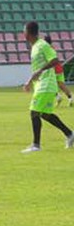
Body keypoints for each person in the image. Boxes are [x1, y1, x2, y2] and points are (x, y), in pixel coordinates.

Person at [22, 22, 74, 153]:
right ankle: (70, 134)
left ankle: (36, 145)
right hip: (41, 84)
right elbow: (36, 70)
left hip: (46, 84)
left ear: (28, 32)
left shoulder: (42, 45)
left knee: (34, 111)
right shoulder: (34, 47)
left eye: (24, 31)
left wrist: (40, 71)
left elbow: (55, 60)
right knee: (45, 114)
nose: (23, 33)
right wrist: (29, 81)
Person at [44, 36, 73, 106]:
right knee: (62, 85)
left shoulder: (47, 49)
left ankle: (57, 97)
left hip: (53, 69)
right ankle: (70, 98)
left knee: (48, 85)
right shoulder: (52, 48)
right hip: (59, 68)